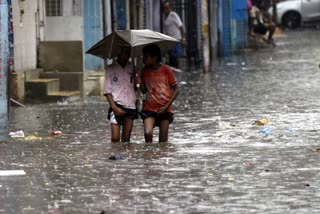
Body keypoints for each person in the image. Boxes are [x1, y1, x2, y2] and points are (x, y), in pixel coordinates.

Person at [137, 44, 179, 143]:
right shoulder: (144, 71)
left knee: (163, 142)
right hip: (149, 109)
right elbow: (143, 91)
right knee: (147, 134)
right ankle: (149, 156)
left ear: (154, 57)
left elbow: (176, 89)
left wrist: (166, 107)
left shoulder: (166, 70)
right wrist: (138, 81)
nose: (143, 59)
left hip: (165, 110)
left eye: (146, 57)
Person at [104, 47, 137, 143]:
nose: (126, 54)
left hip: (130, 105)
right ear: (118, 52)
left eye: (128, 52)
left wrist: (138, 79)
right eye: (124, 51)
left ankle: (125, 157)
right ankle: (115, 155)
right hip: (116, 105)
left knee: (126, 139)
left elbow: (135, 87)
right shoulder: (110, 69)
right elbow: (107, 91)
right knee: (115, 138)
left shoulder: (132, 68)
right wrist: (114, 108)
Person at [162, 1, 186, 70]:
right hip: (170, 41)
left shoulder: (173, 15)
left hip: (177, 39)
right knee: (172, 58)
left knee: (179, 57)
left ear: (170, 8)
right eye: (164, 8)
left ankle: (180, 72)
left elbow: (181, 27)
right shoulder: (165, 17)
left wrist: (183, 39)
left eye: (167, 8)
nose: (165, 10)